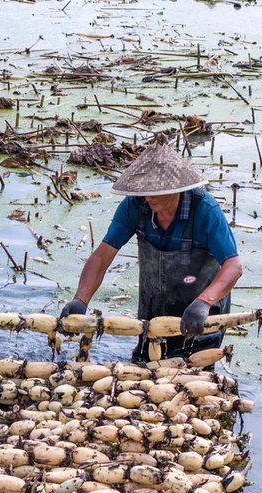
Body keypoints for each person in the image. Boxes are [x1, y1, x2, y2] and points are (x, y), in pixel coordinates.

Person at [60, 136, 242, 361]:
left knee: (193, 377)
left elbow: (233, 266)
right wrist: (81, 299)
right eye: (144, 191)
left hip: (200, 315)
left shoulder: (206, 211)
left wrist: (204, 302)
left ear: (176, 188)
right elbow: (102, 256)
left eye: (155, 191)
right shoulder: (135, 206)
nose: (148, 197)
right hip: (153, 314)